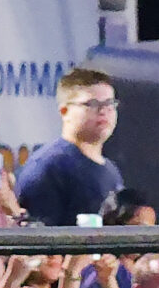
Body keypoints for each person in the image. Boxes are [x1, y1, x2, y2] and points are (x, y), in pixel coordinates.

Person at [15, 66, 123, 227]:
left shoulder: (110, 170)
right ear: (65, 111)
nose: (103, 111)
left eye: (109, 103)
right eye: (92, 104)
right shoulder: (49, 167)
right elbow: (39, 240)